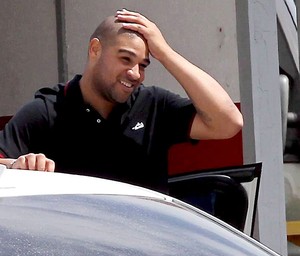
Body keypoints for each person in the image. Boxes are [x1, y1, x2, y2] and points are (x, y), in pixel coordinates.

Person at [0, 9, 243, 192]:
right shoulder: (46, 111)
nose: (135, 74)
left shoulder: (154, 105)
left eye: (144, 65)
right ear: (95, 50)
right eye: (125, 59)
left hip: (147, 250)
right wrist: (20, 166)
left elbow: (228, 123)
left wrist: (166, 53)